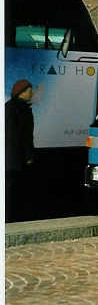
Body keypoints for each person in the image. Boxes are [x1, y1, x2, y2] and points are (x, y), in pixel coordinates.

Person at [6, 79, 35, 221]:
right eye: (29, 91)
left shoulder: (8, 107)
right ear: (21, 92)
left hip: (9, 156)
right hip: (18, 157)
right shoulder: (23, 110)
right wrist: (29, 156)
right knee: (17, 187)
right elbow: (25, 136)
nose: (31, 94)